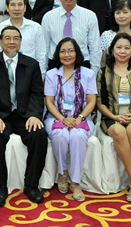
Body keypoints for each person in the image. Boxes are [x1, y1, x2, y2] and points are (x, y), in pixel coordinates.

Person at [0, 26, 47, 206]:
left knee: (39, 134)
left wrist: (34, 115)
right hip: (0, 116)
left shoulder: (31, 64)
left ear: (20, 41)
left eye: (15, 38)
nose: (12, 42)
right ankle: (0, 186)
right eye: (8, 38)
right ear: (1, 41)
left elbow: (36, 93)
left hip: (24, 115)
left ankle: (32, 185)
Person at [97, 33, 131, 203]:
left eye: (127, 48)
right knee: (119, 131)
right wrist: (113, 116)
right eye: (119, 47)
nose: (123, 51)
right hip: (111, 116)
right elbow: (100, 101)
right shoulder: (103, 72)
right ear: (112, 50)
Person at [44, 38, 97, 202]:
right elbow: (49, 102)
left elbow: (92, 101)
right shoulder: (51, 74)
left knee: (77, 136)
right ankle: (63, 173)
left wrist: (79, 118)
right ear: (57, 54)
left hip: (81, 117)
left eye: (70, 51)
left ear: (77, 53)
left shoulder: (88, 74)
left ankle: (75, 182)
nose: (67, 55)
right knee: (60, 136)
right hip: (56, 116)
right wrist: (63, 119)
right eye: (62, 51)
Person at [41, 0, 101, 74]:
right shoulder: (48, 17)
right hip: (55, 65)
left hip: (82, 65)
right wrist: (43, 74)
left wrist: (94, 73)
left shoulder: (90, 16)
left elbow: (95, 48)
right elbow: (43, 49)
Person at [0, 0, 47, 76]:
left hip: (30, 73)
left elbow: (41, 55)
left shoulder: (36, 28)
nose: (16, 8)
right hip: (5, 74)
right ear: (7, 7)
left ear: (25, 7)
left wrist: (41, 76)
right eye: (12, 5)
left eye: (20, 5)